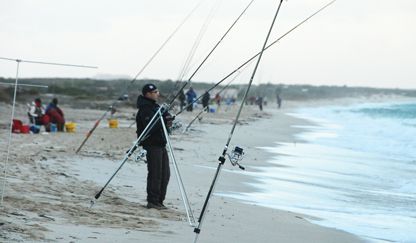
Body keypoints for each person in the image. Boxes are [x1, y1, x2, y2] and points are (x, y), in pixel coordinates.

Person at [136, 84, 174, 210]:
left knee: (165, 174)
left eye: (157, 91)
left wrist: (168, 119)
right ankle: (152, 201)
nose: (157, 93)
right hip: (152, 145)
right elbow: (150, 127)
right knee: (155, 174)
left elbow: (162, 121)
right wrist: (163, 118)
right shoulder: (145, 108)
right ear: (148, 93)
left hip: (161, 144)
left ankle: (159, 201)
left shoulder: (155, 106)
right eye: (155, 92)